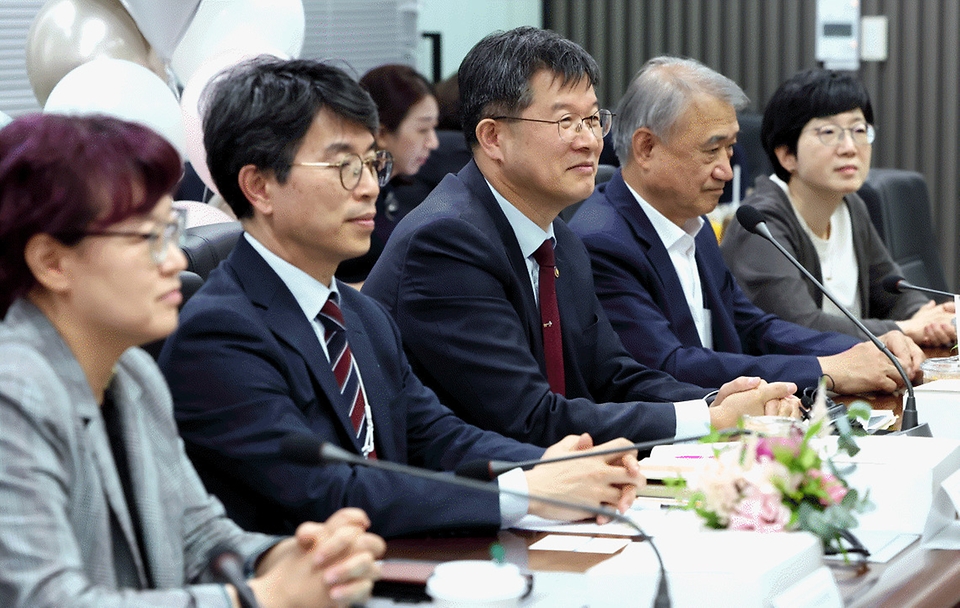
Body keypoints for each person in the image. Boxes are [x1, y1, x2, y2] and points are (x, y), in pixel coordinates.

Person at [158, 56, 643, 540]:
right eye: (345, 166)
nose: (370, 187)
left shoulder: (360, 314)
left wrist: (561, 464)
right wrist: (529, 491)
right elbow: (330, 492)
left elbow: (434, 435)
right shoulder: (219, 332)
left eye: (373, 163)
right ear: (259, 186)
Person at [0, 114, 383, 608]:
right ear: (51, 262)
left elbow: (199, 535)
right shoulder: (14, 394)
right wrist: (260, 599)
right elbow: (46, 600)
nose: (178, 261)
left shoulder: (133, 374)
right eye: (148, 239)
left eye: (173, 232)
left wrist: (292, 559)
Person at [363, 27, 800, 449]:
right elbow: (530, 419)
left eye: (593, 119)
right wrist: (709, 420)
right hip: (462, 500)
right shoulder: (447, 243)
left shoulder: (560, 241)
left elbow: (611, 374)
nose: (590, 141)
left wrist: (711, 400)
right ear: (493, 137)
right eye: (566, 121)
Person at [568, 56, 924, 395]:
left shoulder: (695, 224)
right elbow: (668, 365)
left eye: (731, 149)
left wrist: (865, 346)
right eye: (711, 151)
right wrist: (826, 370)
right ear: (646, 148)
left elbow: (752, 326)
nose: (726, 170)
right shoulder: (604, 242)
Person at [720, 68, 955, 347]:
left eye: (858, 130)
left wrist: (928, 318)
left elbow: (892, 291)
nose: (849, 147)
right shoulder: (761, 224)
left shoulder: (850, 206)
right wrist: (906, 328)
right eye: (829, 132)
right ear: (786, 155)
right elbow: (800, 326)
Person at [336, 64, 440, 284]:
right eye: (423, 130)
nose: (433, 143)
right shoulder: (344, 196)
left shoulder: (404, 191)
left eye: (434, 129)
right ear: (381, 133)